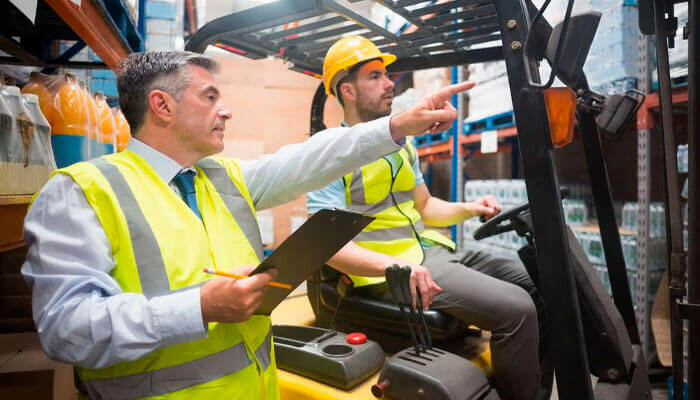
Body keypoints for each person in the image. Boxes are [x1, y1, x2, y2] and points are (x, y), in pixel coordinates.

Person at [21, 51, 473, 399]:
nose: (225, 111)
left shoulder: (223, 177)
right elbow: (67, 329)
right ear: (161, 105)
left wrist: (395, 125)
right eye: (210, 97)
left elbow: (308, 160)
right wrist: (199, 308)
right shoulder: (81, 192)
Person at [307, 36, 540, 400]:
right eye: (375, 77)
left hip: (432, 250)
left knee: (542, 281)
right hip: (388, 273)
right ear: (347, 90)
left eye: (387, 75)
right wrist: (396, 267)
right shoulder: (329, 153)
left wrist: (470, 208)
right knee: (518, 310)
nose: (390, 84)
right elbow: (326, 248)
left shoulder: (401, 145)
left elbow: (426, 207)